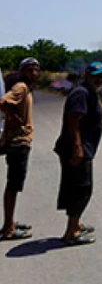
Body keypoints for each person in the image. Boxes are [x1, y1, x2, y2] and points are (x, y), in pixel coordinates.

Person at [54, 62, 102, 246]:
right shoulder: (82, 93)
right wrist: (77, 148)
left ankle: (76, 224)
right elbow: (73, 121)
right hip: (77, 150)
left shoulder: (89, 92)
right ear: (87, 75)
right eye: (95, 75)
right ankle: (71, 233)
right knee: (82, 190)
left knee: (77, 188)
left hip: (82, 148)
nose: (99, 79)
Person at [0, 58, 38, 240]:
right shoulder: (21, 87)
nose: (34, 74)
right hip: (18, 142)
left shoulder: (25, 88)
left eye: (36, 70)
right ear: (22, 71)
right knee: (13, 186)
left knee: (14, 185)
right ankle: (8, 228)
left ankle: (10, 222)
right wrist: (14, 118)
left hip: (18, 141)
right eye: (30, 70)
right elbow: (2, 102)